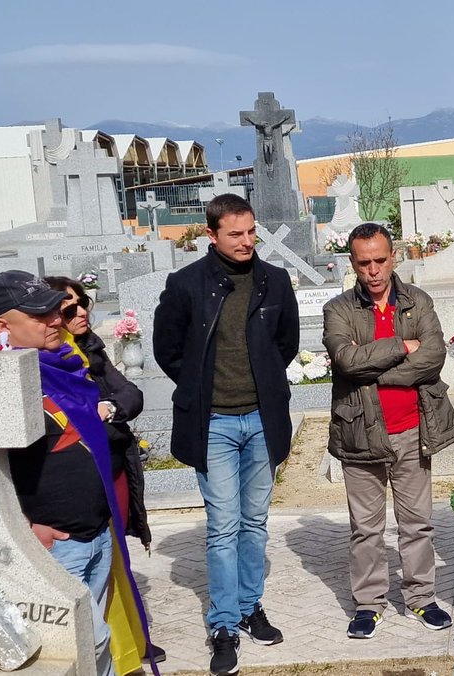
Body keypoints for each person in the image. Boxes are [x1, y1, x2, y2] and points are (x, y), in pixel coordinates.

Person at [153, 193, 299, 676]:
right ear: (212, 234)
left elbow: (287, 344)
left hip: (261, 419)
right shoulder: (186, 284)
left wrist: (263, 386)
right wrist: (201, 386)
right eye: (235, 234)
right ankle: (222, 625)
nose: (246, 241)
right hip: (212, 422)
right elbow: (167, 349)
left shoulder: (274, 281)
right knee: (224, 525)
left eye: (251, 231)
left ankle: (250, 606)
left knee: (255, 521)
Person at [0, 270, 149, 676]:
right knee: (87, 643)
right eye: (39, 316)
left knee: (92, 650)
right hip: (55, 549)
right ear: (2, 326)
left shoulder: (67, 366)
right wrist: (23, 528)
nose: (56, 320)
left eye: (53, 311)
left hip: (95, 535)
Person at [323, 223, 454, 640]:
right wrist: (404, 346)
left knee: (416, 522)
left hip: (412, 429)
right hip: (360, 433)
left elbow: (435, 355)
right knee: (365, 527)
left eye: (380, 260)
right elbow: (346, 360)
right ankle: (368, 603)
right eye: (364, 262)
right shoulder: (339, 310)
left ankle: (421, 597)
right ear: (352, 263)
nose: (373, 270)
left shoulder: (418, 301)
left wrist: (376, 374)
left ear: (394, 257)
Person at [45, 277, 165, 665]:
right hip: (82, 484)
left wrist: (108, 410)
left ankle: (129, 638)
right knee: (96, 570)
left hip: (112, 467)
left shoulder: (91, 350)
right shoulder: (53, 363)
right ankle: (118, 649)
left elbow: (131, 394)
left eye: (84, 304)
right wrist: (101, 412)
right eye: (68, 309)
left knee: (115, 561)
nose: (80, 313)